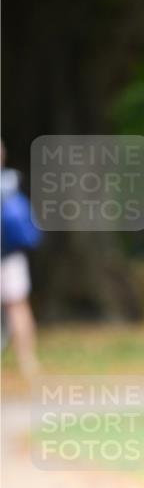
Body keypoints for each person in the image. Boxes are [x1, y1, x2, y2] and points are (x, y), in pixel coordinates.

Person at [1, 140, 41, 379]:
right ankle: (28, 362)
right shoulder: (11, 182)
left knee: (17, 306)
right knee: (18, 306)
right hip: (11, 254)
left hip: (9, 255)